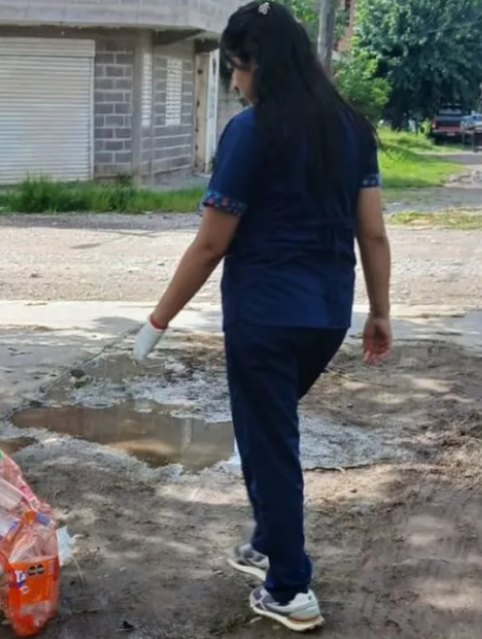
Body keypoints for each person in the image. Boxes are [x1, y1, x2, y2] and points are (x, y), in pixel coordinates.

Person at [131, 0, 393, 632]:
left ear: (257, 66)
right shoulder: (351, 127)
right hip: (326, 316)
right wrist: (380, 313)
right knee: (266, 431)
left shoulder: (251, 132)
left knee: (269, 444)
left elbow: (212, 243)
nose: (234, 83)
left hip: (264, 318)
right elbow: (374, 235)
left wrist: (158, 320)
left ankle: (290, 588)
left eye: (236, 69)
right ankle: (266, 542)